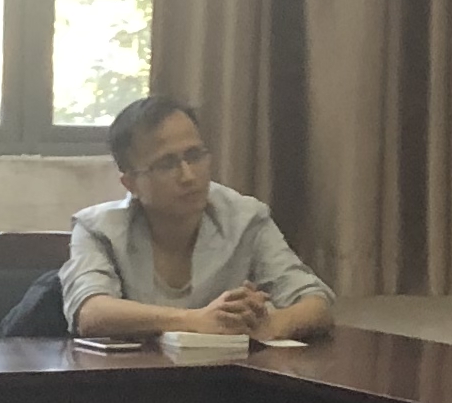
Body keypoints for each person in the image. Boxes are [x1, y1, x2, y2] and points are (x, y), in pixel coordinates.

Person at [64, 96, 334, 344]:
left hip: (226, 376)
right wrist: (196, 320)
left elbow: (315, 301)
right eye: (167, 164)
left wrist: (271, 325)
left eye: (194, 156)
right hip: (133, 375)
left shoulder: (246, 217)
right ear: (131, 183)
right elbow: (90, 312)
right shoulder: (97, 229)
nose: (188, 176)